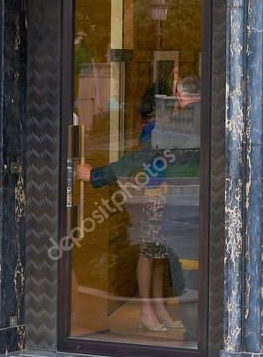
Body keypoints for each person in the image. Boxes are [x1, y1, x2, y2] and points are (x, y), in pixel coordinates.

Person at [76, 75, 201, 334]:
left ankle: (194, 333)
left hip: (175, 205)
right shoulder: (219, 118)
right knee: (173, 258)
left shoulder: (172, 126)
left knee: (180, 266)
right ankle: (180, 324)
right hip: (193, 206)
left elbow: (140, 159)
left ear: (178, 96)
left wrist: (97, 174)